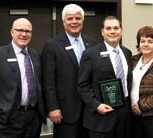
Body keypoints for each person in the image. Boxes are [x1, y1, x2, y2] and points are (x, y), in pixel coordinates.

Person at [41, 4, 97, 138]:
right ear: (63, 22)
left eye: (77, 18)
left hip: (90, 111)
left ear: (82, 21)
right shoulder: (52, 45)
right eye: (70, 18)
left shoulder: (92, 43)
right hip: (65, 112)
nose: (74, 22)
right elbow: (48, 80)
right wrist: (52, 107)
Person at [77, 15, 132, 138]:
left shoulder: (127, 53)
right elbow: (82, 85)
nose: (112, 31)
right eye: (108, 28)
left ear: (121, 31)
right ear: (102, 32)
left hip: (124, 115)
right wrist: (96, 105)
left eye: (116, 28)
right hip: (100, 117)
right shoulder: (90, 54)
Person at [0, 18, 46, 138]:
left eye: (27, 31)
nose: (24, 34)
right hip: (7, 120)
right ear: (12, 32)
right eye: (20, 30)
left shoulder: (36, 55)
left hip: (33, 119)